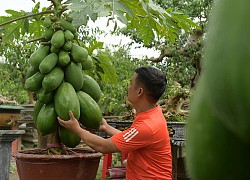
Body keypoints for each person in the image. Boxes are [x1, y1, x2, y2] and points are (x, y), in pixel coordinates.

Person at [58, 66, 172, 179]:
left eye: (131, 83)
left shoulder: (147, 126)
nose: (128, 87)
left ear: (139, 91)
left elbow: (103, 146)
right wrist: (107, 128)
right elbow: (129, 138)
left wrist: (77, 129)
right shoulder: (152, 114)